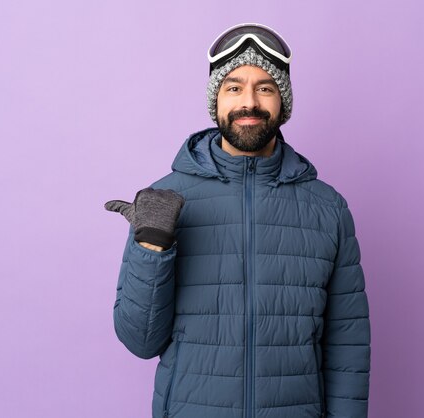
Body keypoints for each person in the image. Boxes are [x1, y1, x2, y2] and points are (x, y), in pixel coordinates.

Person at [105, 23, 371, 418]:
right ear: (216, 101)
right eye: (233, 87)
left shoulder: (328, 208)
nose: (249, 102)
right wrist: (151, 248)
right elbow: (140, 341)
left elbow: (347, 344)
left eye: (265, 87)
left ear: (283, 100)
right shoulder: (165, 201)